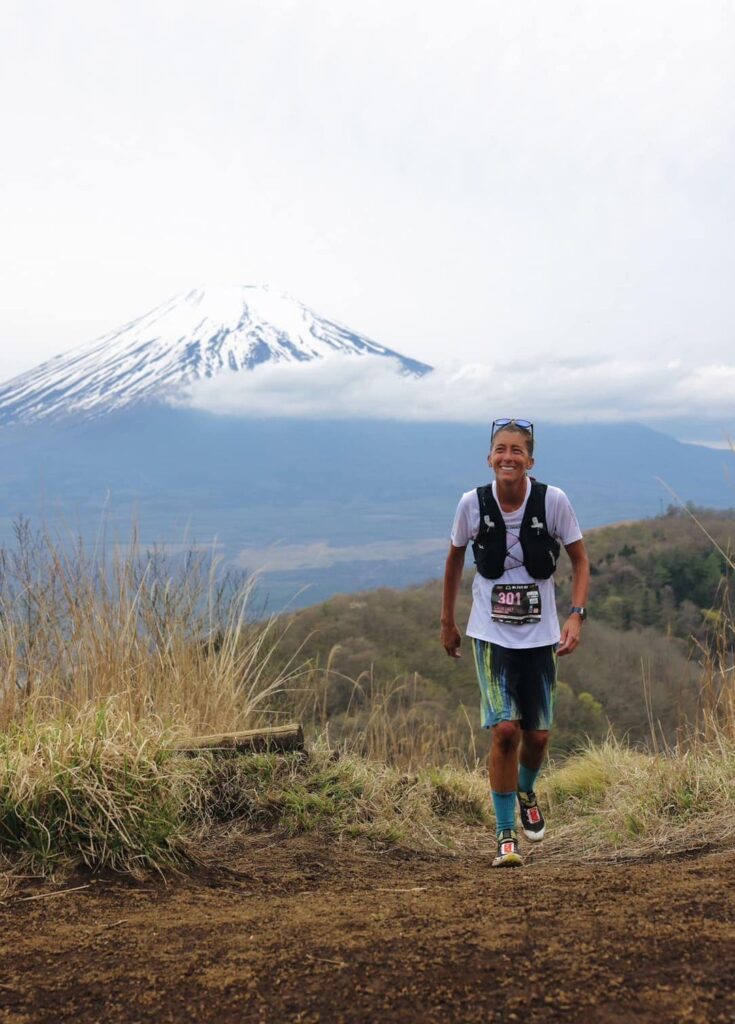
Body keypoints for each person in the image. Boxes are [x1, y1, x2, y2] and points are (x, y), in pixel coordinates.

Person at [440, 418, 589, 867]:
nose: (508, 457)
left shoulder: (553, 501)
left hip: (541, 636)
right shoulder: (472, 504)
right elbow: (453, 561)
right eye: (500, 449)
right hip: (490, 633)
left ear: (530, 460)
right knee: (505, 730)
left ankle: (526, 789)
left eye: (517, 451)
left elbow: (581, 561)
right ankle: (506, 835)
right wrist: (447, 621)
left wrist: (576, 617)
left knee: (538, 737)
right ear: (489, 457)